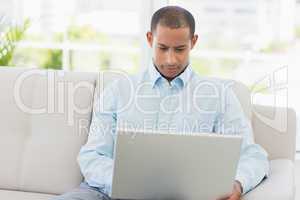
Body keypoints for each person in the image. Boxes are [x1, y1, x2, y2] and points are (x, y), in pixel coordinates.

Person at [52, 6, 269, 200]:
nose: (170, 60)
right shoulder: (118, 91)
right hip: (107, 193)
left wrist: (237, 184)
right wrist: (129, 185)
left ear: (193, 42)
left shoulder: (219, 96)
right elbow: (93, 156)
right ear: (149, 39)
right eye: (162, 48)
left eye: (180, 49)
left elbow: (252, 155)